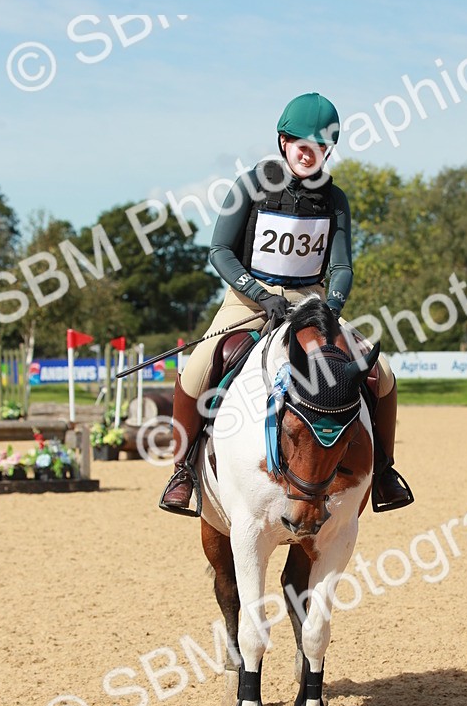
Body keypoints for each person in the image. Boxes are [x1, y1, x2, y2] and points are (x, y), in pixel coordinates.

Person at [159, 92, 413, 515]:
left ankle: (384, 471)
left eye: (319, 147)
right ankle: (183, 471)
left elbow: (342, 266)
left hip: (311, 302)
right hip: (248, 298)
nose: (309, 154)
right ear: (283, 142)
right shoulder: (252, 185)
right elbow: (220, 250)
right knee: (200, 366)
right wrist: (260, 295)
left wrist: (331, 304)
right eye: (302, 145)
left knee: (381, 374)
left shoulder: (335, 200)